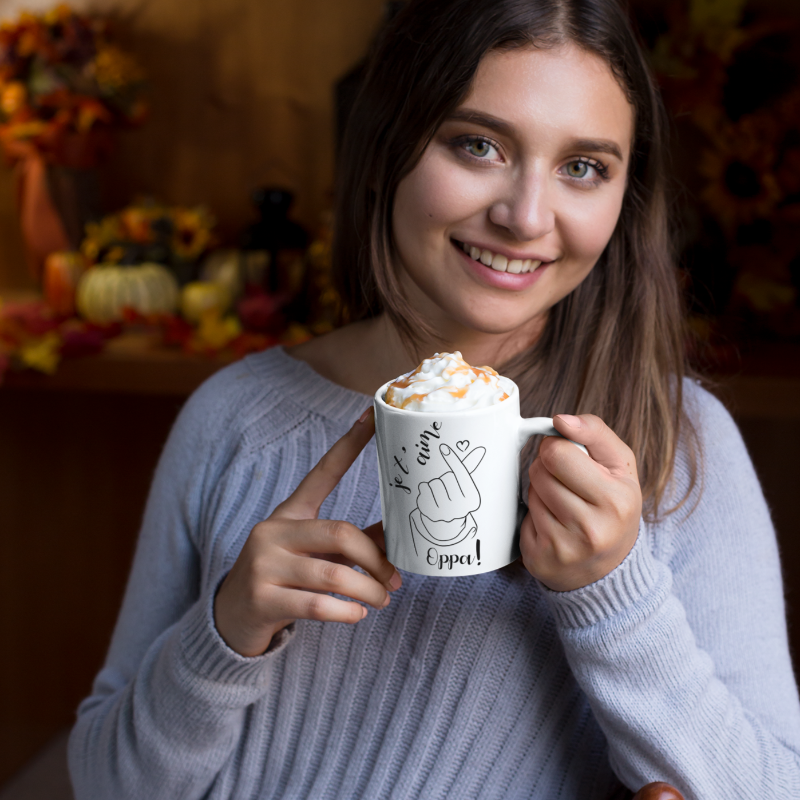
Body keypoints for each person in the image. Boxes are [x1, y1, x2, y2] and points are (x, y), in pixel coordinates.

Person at [68, 0, 800, 797]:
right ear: (389, 144)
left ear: (628, 196)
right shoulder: (233, 416)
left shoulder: (679, 441)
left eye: (583, 166)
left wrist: (614, 590)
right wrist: (226, 630)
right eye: (478, 145)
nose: (525, 217)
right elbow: (105, 781)